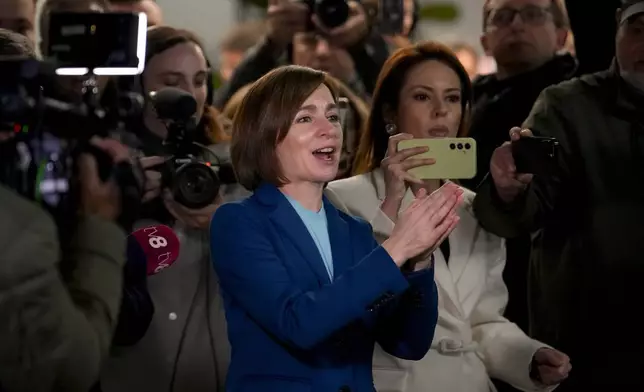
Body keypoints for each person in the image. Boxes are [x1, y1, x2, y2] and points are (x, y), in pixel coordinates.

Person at [325, 41, 570, 392]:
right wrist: (391, 211)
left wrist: (527, 357)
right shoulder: (344, 198)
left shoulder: (476, 207)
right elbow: (353, 309)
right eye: (423, 97)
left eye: (453, 98)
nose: (441, 111)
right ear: (389, 113)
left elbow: (482, 322)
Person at [211, 64, 460, 391]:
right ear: (265, 135)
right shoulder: (239, 223)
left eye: (331, 116)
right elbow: (299, 323)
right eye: (305, 118)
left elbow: (407, 344)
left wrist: (420, 260)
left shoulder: (354, 230)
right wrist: (396, 247)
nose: (329, 129)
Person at [472, 1, 644, 390]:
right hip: (587, 349)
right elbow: (524, 208)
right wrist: (508, 189)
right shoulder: (567, 106)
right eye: (638, 28)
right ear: (616, 30)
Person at [99, 26, 232, 392]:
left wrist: (226, 222)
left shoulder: (233, 164)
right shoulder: (102, 165)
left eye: (200, 79)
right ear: (135, 89)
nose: (190, 95)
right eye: (172, 81)